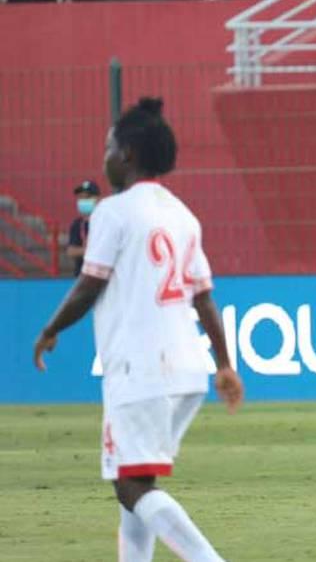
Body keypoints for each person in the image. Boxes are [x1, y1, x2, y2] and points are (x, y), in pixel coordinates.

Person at [32, 97, 243, 562]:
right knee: (135, 479)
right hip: (186, 371)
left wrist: (50, 330)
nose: (104, 156)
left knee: (128, 486)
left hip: (140, 369)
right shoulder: (183, 215)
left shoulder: (113, 212)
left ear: (126, 154)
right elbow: (203, 296)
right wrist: (225, 364)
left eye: (108, 147)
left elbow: (89, 284)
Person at [67, 180, 101, 276]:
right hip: (81, 275)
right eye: (80, 198)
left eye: (87, 197)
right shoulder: (77, 224)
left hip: (103, 276)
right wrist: (92, 250)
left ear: (98, 199)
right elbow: (71, 251)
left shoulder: (106, 222)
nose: (83, 201)